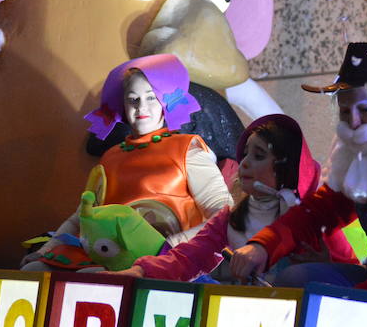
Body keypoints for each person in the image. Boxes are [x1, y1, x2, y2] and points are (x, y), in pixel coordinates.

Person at [226, 42, 367, 289]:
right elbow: (317, 211)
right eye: (345, 112)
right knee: (296, 279)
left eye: (365, 110)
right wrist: (262, 246)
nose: (354, 122)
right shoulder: (362, 155)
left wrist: (357, 300)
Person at [21, 54, 232, 270]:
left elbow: (223, 212)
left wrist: (171, 246)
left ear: (164, 101)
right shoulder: (111, 157)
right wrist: (47, 248)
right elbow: (82, 216)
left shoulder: (187, 149)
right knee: (34, 271)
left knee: (93, 277)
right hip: (106, 256)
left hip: (163, 262)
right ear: (123, 105)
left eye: (151, 97)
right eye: (133, 99)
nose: (141, 107)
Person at [113, 114, 357, 281]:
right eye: (245, 154)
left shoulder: (311, 218)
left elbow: (350, 279)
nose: (245, 163)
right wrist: (140, 272)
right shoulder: (233, 218)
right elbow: (190, 256)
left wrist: (323, 267)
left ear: (286, 166)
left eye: (258, 155)